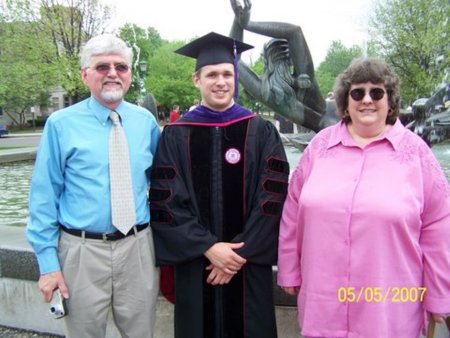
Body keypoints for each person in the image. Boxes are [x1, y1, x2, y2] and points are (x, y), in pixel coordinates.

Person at [277, 57, 450, 338]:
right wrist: (288, 268)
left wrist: (440, 294)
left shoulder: (417, 154)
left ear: (390, 101)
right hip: (323, 300)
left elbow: (439, 227)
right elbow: (292, 211)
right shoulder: (319, 148)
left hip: (389, 306)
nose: (367, 100)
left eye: (377, 92)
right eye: (358, 92)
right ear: (346, 100)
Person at [149, 32, 289, 338]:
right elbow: (166, 202)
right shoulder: (175, 134)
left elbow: (273, 196)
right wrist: (209, 247)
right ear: (196, 80)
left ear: (235, 78)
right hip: (197, 264)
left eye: (228, 74)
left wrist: (237, 254)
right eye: (212, 74)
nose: (221, 82)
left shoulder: (261, 131)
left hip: (246, 264)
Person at [27, 34, 160, 338]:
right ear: (85, 74)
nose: (113, 73)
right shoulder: (60, 125)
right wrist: (48, 264)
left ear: (129, 75)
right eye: (102, 66)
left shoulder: (146, 123)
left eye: (121, 67)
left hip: (137, 247)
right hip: (81, 252)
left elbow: (164, 186)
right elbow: (44, 197)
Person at [230, 0, 338, 132]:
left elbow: (232, 59)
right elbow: (294, 32)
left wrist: (240, 22)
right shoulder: (304, 80)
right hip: (336, 122)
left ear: (265, 60)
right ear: (291, 60)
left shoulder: (265, 91)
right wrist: (245, 24)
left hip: (335, 116)